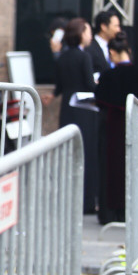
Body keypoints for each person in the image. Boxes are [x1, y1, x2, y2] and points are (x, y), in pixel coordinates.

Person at [95, 31, 138, 225]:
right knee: (133, 168)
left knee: (109, 170)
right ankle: (131, 210)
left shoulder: (107, 77)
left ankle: (108, 213)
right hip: (136, 128)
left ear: (112, 52)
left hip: (112, 129)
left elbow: (99, 99)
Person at [48, 18, 99, 214]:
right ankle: (86, 202)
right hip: (84, 109)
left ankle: (68, 198)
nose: (90, 35)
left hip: (67, 109)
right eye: (87, 31)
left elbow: (59, 87)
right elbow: (89, 84)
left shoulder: (62, 57)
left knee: (69, 153)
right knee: (86, 154)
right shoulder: (84, 57)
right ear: (80, 34)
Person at [86, 11, 122, 78]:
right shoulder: (89, 47)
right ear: (104, 27)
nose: (119, 30)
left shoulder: (116, 47)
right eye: (116, 26)